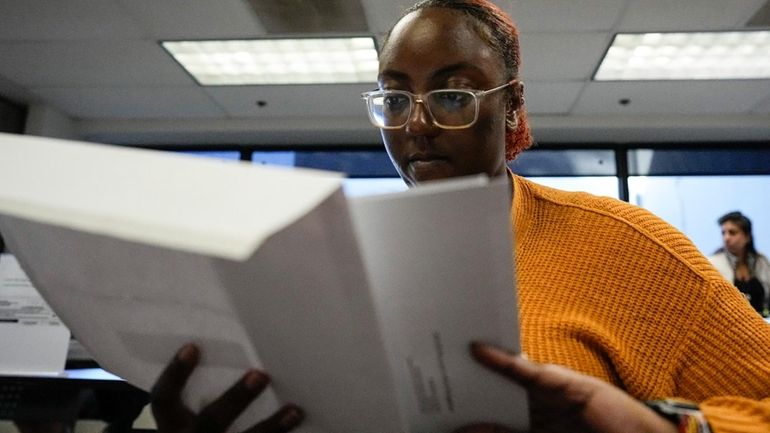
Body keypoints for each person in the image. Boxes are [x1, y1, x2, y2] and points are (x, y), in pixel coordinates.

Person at [149, 1, 770, 432]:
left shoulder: (622, 247)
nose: (416, 124)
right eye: (395, 98)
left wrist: (665, 426)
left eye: (451, 94)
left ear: (511, 105)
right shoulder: (335, 266)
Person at [709, 211, 770, 317]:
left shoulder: (762, 262)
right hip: (730, 325)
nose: (726, 238)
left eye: (732, 232)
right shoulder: (713, 264)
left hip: (763, 325)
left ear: (747, 237)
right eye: (723, 233)